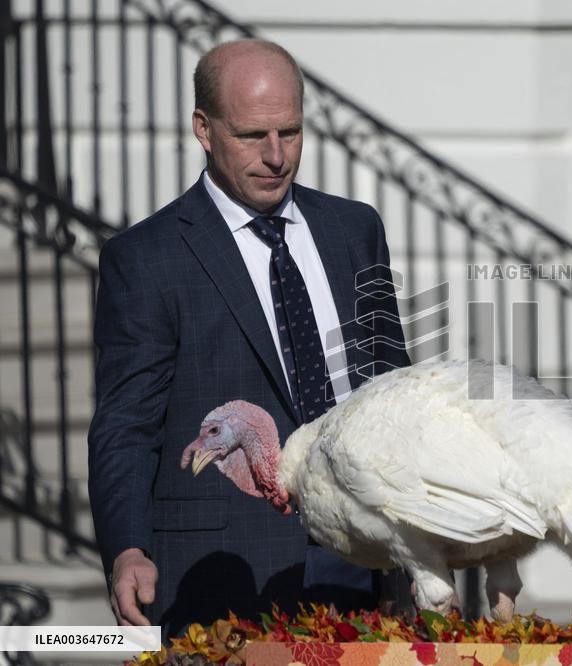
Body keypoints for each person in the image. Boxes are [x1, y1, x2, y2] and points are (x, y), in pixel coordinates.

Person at [88, 39, 410, 638]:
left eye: (290, 132)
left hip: (364, 557)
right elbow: (125, 427)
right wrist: (127, 548)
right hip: (224, 574)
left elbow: (396, 389)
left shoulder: (353, 231)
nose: (276, 156)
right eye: (251, 136)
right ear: (204, 130)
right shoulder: (147, 259)